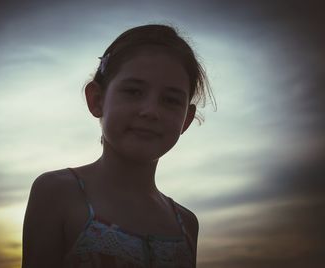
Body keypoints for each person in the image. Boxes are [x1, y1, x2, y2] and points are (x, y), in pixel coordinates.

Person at [22, 24, 214, 268]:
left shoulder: (186, 224)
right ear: (97, 100)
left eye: (170, 100)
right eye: (134, 92)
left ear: (186, 119)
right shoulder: (58, 193)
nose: (151, 111)